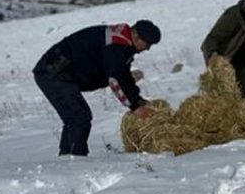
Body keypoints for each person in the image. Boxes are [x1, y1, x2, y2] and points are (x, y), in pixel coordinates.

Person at [33, 20, 160, 157]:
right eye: (147, 44)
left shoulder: (122, 42)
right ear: (136, 36)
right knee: (79, 117)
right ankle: (74, 160)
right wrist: (135, 106)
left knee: (75, 117)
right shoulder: (116, 44)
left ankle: (68, 158)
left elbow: (123, 74)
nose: (147, 49)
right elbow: (115, 78)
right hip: (53, 72)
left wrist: (138, 100)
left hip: (59, 73)